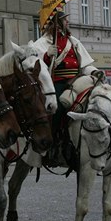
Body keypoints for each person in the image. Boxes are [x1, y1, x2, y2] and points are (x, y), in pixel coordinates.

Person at [33, 10, 103, 167]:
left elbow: (84, 65)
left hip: (76, 81)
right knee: (56, 108)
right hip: (56, 82)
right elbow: (37, 68)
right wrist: (46, 56)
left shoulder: (74, 41)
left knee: (97, 99)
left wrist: (94, 71)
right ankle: (53, 143)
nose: (68, 23)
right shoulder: (42, 43)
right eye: (64, 20)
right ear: (56, 23)